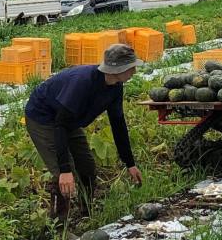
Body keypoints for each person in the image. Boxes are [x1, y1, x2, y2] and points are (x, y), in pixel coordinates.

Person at [24, 42, 143, 221]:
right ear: (117, 69)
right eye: (131, 67)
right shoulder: (82, 83)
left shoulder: (115, 87)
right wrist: (64, 169)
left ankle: (86, 214)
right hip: (44, 119)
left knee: (86, 167)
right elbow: (60, 125)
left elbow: (118, 123)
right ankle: (58, 225)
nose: (134, 71)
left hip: (68, 120)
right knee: (63, 176)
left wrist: (130, 163)